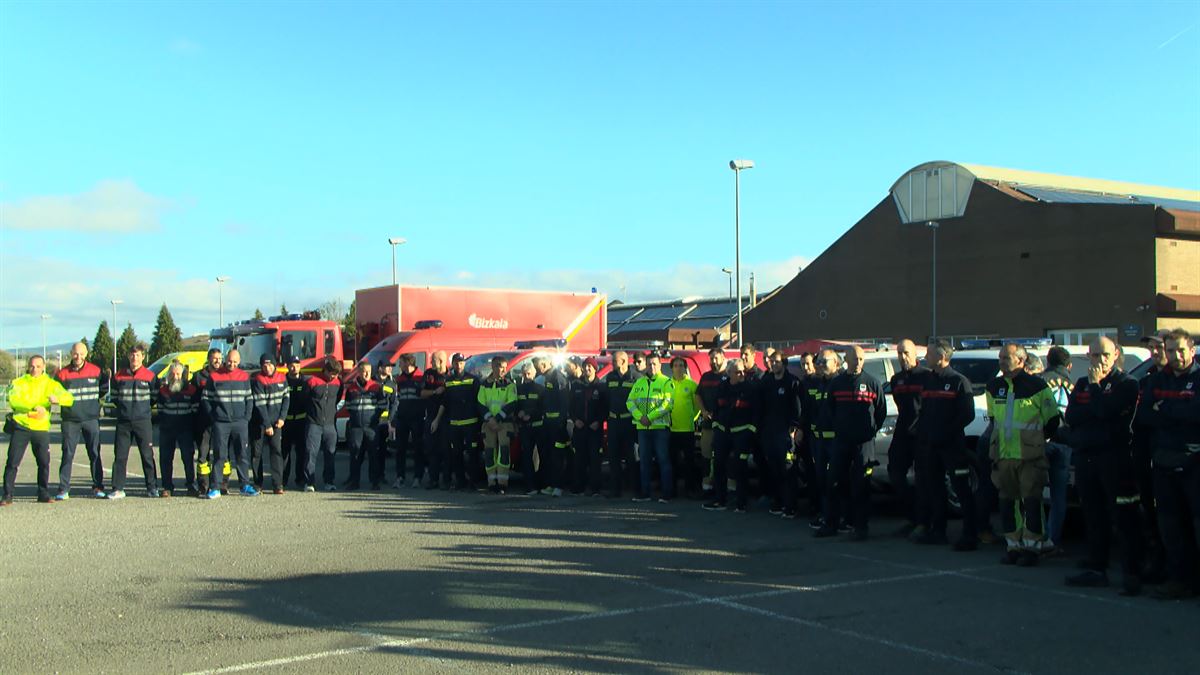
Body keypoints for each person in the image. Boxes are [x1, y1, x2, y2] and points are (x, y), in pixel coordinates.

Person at [1063, 337, 1144, 594]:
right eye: (1095, 355)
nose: (1100, 360)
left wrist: (1097, 390)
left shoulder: (1127, 383)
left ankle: (1132, 572)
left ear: (1116, 354)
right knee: (1093, 514)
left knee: (1123, 516)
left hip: (1115, 458)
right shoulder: (1083, 383)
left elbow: (1106, 411)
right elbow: (1072, 415)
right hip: (1087, 456)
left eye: (1105, 354)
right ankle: (1097, 567)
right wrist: (1094, 406)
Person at [1138, 328, 1200, 600]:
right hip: (1163, 461)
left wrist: (1164, 409)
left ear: (1192, 350)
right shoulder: (1156, 379)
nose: (1176, 355)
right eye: (1171, 350)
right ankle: (1179, 581)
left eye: (1181, 350)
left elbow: (1196, 414)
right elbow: (1144, 415)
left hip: (1194, 463)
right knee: (1171, 527)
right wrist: (1177, 414)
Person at [985, 343, 1061, 565]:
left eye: (1006, 358)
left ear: (1021, 360)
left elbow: (1053, 420)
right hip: (1003, 455)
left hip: (1030, 457)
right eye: (1000, 358)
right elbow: (994, 421)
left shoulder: (1037, 386)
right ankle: (1013, 546)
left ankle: (1032, 548)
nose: (1001, 362)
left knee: (1031, 502)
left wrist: (1037, 442)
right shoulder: (993, 387)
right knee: (1008, 503)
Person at [816, 345, 886, 540]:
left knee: (861, 484)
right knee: (834, 481)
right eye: (855, 359)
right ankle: (831, 523)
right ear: (846, 360)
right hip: (842, 441)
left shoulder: (872, 383)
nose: (858, 363)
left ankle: (861, 526)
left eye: (861, 359)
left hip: (864, 443)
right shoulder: (837, 384)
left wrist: (871, 430)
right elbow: (830, 408)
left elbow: (880, 411)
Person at [914, 339, 977, 550]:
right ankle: (938, 531)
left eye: (929, 354)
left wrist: (945, 433)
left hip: (953, 447)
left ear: (941, 357)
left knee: (961, 489)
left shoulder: (959, 381)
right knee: (935, 488)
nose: (925, 358)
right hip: (931, 446)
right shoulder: (928, 380)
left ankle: (970, 535)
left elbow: (967, 415)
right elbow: (923, 411)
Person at [2, 355, 73, 505]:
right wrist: (34, 406)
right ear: (28, 366)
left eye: (39, 366)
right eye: (32, 366)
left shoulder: (50, 383)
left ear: (44, 367)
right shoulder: (19, 382)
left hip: (40, 428)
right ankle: (7, 495)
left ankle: (43, 493)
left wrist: (58, 400)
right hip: (22, 426)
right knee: (12, 462)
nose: (35, 369)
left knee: (43, 462)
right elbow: (14, 399)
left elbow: (69, 398)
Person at [1132, 331, 1170, 582]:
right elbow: (1141, 416)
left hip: (1174, 457)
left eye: (1159, 348)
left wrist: (1163, 411)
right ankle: (1156, 564)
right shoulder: (1146, 380)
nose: (1154, 353)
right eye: (1152, 349)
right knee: (1150, 514)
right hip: (1146, 455)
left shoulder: (1187, 379)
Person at [202, 349, 256, 498]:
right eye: (230, 361)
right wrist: (214, 416)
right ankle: (215, 487)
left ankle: (245, 485)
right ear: (226, 360)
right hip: (221, 423)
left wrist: (246, 417)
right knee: (220, 455)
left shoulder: (244, 377)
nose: (232, 364)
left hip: (240, 422)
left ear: (239, 362)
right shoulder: (214, 377)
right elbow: (206, 399)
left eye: (235, 362)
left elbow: (249, 399)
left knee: (242, 455)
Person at [55, 341, 106, 499]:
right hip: (70, 420)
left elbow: (103, 389)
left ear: (86, 354)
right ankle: (64, 489)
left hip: (91, 419)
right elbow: (56, 393)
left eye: (81, 353)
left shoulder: (96, 371)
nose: (78, 357)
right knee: (68, 454)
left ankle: (98, 487)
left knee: (95, 453)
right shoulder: (62, 374)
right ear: (71, 353)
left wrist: (94, 407)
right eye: (76, 353)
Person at [109, 342, 160, 499]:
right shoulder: (118, 376)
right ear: (128, 356)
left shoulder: (150, 376)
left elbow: (154, 397)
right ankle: (118, 488)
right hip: (123, 422)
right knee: (120, 456)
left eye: (137, 355)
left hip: (143, 422)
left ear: (143, 357)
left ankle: (152, 488)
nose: (134, 358)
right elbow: (115, 398)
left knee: (147, 456)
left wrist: (141, 411)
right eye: (132, 355)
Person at [888, 339, 928, 536]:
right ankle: (911, 517)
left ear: (915, 354)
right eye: (900, 353)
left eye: (906, 353)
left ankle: (923, 522)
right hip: (902, 433)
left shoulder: (927, 377)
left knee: (922, 480)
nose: (903, 357)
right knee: (895, 474)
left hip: (922, 435)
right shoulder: (896, 380)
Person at [1039, 345, 1075, 555]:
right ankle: (1053, 539)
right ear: (1068, 365)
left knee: (1033, 491)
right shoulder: (1073, 384)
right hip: (1065, 442)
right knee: (1058, 495)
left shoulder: (1041, 381)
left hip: (1043, 441)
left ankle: (1037, 536)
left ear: (1048, 362)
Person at [759, 350, 803, 516]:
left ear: (784, 364)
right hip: (769, 433)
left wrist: (794, 427)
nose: (774, 364)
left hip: (786, 434)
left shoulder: (792, 383)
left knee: (788, 469)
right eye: (772, 361)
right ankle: (777, 502)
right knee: (774, 468)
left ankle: (790, 505)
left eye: (777, 361)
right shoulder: (767, 382)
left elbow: (798, 409)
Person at [629, 353, 674, 503]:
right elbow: (630, 402)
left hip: (660, 427)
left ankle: (666, 493)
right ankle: (645, 493)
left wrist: (650, 417)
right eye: (649, 364)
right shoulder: (639, 382)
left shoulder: (666, 382)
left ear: (660, 365)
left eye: (655, 364)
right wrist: (639, 416)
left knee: (663, 460)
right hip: (642, 428)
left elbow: (667, 404)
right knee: (644, 461)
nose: (652, 367)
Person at [803, 349, 841, 529]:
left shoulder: (840, 384)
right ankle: (826, 515)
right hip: (818, 441)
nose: (819, 365)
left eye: (824, 362)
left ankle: (838, 518)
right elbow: (813, 412)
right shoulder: (820, 384)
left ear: (836, 363)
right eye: (818, 362)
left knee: (835, 481)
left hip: (835, 441)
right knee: (822, 480)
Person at [156, 359, 201, 497]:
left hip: (185, 429)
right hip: (167, 430)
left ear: (183, 375)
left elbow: (195, 411)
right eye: (173, 374)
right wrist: (164, 425)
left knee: (188, 458)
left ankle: (191, 486)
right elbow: (160, 411)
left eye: (178, 374)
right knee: (165, 459)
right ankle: (167, 487)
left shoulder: (191, 390)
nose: (175, 377)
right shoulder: (163, 391)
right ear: (169, 375)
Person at [250, 355, 290, 494]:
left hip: (277, 423)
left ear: (274, 365)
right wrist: (267, 425)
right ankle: (257, 483)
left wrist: (282, 418)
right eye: (264, 365)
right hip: (260, 423)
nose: (267, 368)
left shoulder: (282, 378)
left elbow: (286, 399)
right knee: (257, 453)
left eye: (270, 365)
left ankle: (278, 484)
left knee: (276, 452)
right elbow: (260, 405)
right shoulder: (258, 380)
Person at [702, 360, 739, 511]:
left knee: (737, 466)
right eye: (734, 372)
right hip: (722, 432)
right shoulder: (722, 388)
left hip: (739, 432)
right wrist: (717, 426)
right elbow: (716, 409)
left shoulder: (747, 388)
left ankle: (739, 500)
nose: (738, 374)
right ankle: (720, 499)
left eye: (739, 372)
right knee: (718, 465)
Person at [478, 356, 517, 493]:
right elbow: (480, 403)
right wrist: (490, 419)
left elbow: (512, 403)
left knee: (504, 453)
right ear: (493, 367)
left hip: (504, 424)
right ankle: (491, 482)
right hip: (489, 424)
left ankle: (502, 483)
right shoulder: (484, 384)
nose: (503, 370)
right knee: (489, 452)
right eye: (500, 367)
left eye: (505, 367)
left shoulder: (509, 384)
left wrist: (498, 418)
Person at [304, 357, 343, 492]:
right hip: (314, 423)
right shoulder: (312, 381)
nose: (334, 377)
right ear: (325, 371)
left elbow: (338, 398)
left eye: (336, 374)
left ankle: (329, 481)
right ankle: (309, 482)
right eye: (332, 373)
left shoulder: (338, 383)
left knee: (330, 453)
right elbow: (304, 399)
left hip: (330, 425)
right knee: (310, 453)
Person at [192, 348, 228, 495]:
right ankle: (203, 485)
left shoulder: (226, 375)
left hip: (222, 422)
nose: (217, 361)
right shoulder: (198, 376)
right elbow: (193, 399)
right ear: (208, 359)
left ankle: (223, 484)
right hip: (204, 422)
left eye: (220, 358)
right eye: (214, 358)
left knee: (224, 455)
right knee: (203, 455)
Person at [536, 355, 572, 497]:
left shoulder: (558, 378)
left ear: (550, 363)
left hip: (557, 425)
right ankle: (551, 484)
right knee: (549, 455)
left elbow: (564, 402)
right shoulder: (547, 378)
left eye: (543, 363)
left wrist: (561, 423)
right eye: (539, 364)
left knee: (558, 456)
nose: (541, 367)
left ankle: (559, 486)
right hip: (548, 423)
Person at [604, 351, 639, 498]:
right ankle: (615, 489)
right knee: (613, 457)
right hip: (613, 422)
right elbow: (605, 399)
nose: (612, 363)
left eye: (614, 361)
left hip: (629, 422)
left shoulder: (636, 378)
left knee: (632, 458)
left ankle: (636, 489)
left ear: (624, 361)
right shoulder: (610, 377)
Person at [443, 353, 480, 491]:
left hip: (471, 423)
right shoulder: (448, 381)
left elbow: (479, 401)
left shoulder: (473, 380)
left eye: (461, 362)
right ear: (452, 364)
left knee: (472, 454)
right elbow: (445, 402)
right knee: (456, 454)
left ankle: (473, 481)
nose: (459, 365)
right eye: (456, 363)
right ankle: (460, 481)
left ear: (465, 364)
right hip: (454, 424)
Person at [666, 356, 700, 499]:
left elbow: (698, 406)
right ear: (672, 368)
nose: (679, 368)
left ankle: (689, 489)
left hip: (687, 430)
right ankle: (672, 489)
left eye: (681, 365)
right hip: (671, 430)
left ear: (685, 368)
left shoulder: (692, 385)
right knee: (672, 461)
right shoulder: (667, 384)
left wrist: (692, 418)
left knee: (689, 462)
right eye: (676, 365)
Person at [696, 349, 727, 499]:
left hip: (724, 426)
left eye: (716, 358)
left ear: (723, 358)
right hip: (708, 425)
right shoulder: (706, 377)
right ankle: (707, 487)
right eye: (711, 359)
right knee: (706, 457)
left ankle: (726, 489)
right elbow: (698, 395)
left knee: (724, 458)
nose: (713, 361)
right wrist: (703, 411)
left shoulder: (729, 376)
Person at [390, 354, 424, 488]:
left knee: (418, 449)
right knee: (400, 449)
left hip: (417, 418)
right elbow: (396, 399)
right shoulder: (399, 379)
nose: (399, 365)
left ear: (408, 363)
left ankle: (418, 477)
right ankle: (400, 477)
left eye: (401, 363)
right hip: (402, 418)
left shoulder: (420, 377)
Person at [514, 361, 546, 495]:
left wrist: (530, 415)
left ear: (534, 373)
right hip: (524, 428)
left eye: (529, 374)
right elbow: (514, 406)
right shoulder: (518, 389)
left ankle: (542, 484)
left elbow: (543, 408)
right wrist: (518, 414)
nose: (527, 376)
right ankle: (530, 486)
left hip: (538, 427)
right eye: (524, 374)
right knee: (526, 457)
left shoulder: (540, 389)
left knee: (542, 456)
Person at [420, 350, 449, 490]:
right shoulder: (428, 374)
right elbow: (422, 393)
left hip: (445, 418)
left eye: (433, 360)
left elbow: (446, 400)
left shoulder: (449, 376)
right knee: (432, 450)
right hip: (431, 416)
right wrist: (434, 392)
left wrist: (437, 420)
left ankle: (447, 480)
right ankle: (433, 479)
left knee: (446, 449)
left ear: (441, 361)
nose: (431, 363)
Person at [282, 356, 309, 489]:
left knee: (301, 453)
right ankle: (283, 479)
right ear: (287, 366)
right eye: (292, 365)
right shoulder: (282, 381)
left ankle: (300, 479)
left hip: (301, 421)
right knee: (284, 453)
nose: (295, 367)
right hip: (285, 422)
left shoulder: (305, 382)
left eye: (297, 365)